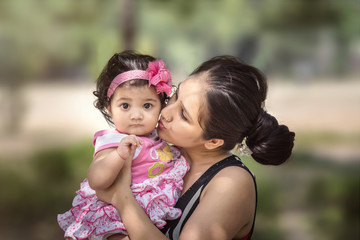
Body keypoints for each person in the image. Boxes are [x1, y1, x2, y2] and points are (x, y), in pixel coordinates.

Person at [96, 55, 295, 240]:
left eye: (184, 115)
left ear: (213, 141)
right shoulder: (162, 152)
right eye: (175, 96)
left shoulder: (231, 182)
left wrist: (121, 197)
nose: (165, 112)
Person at [57, 51, 189, 240]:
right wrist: (119, 155)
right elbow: (96, 180)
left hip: (146, 212)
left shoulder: (158, 138)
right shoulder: (114, 141)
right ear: (109, 108)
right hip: (116, 213)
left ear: (161, 106)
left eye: (147, 106)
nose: (136, 115)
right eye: (125, 106)